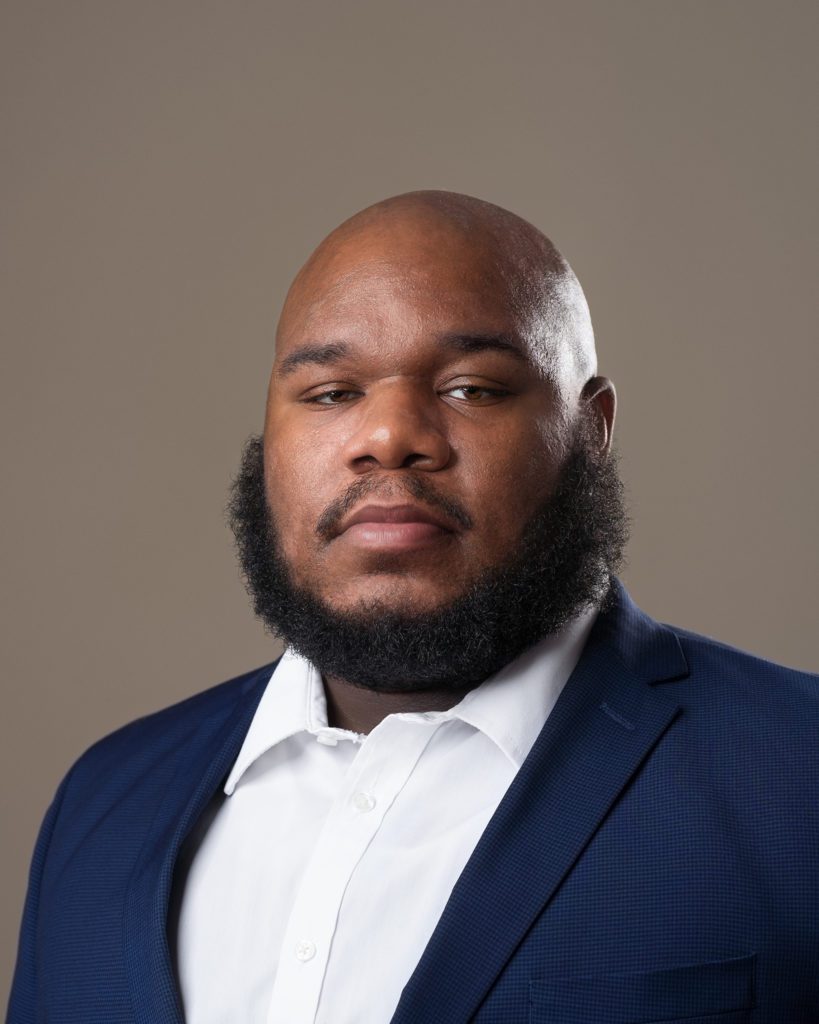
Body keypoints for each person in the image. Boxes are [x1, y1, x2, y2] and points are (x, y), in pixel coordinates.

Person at [7, 191, 819, 1024]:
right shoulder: (101, 808)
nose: (389, 435)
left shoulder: (797, 777)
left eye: (472, 388)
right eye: (328, 394)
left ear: (591, 428)